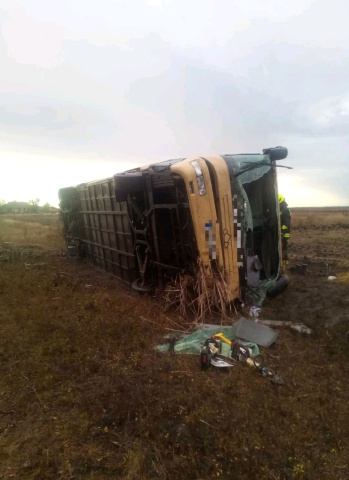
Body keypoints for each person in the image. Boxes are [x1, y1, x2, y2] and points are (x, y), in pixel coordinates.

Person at [279, 194, 291, 261]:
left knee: (284, 246)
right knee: (283, 246)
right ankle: (284, 261)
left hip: (285, 232)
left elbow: (286, 223)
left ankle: (284, 261)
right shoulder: (282, 209)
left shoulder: (285, 210)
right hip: (284, 232)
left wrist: (283, 232)